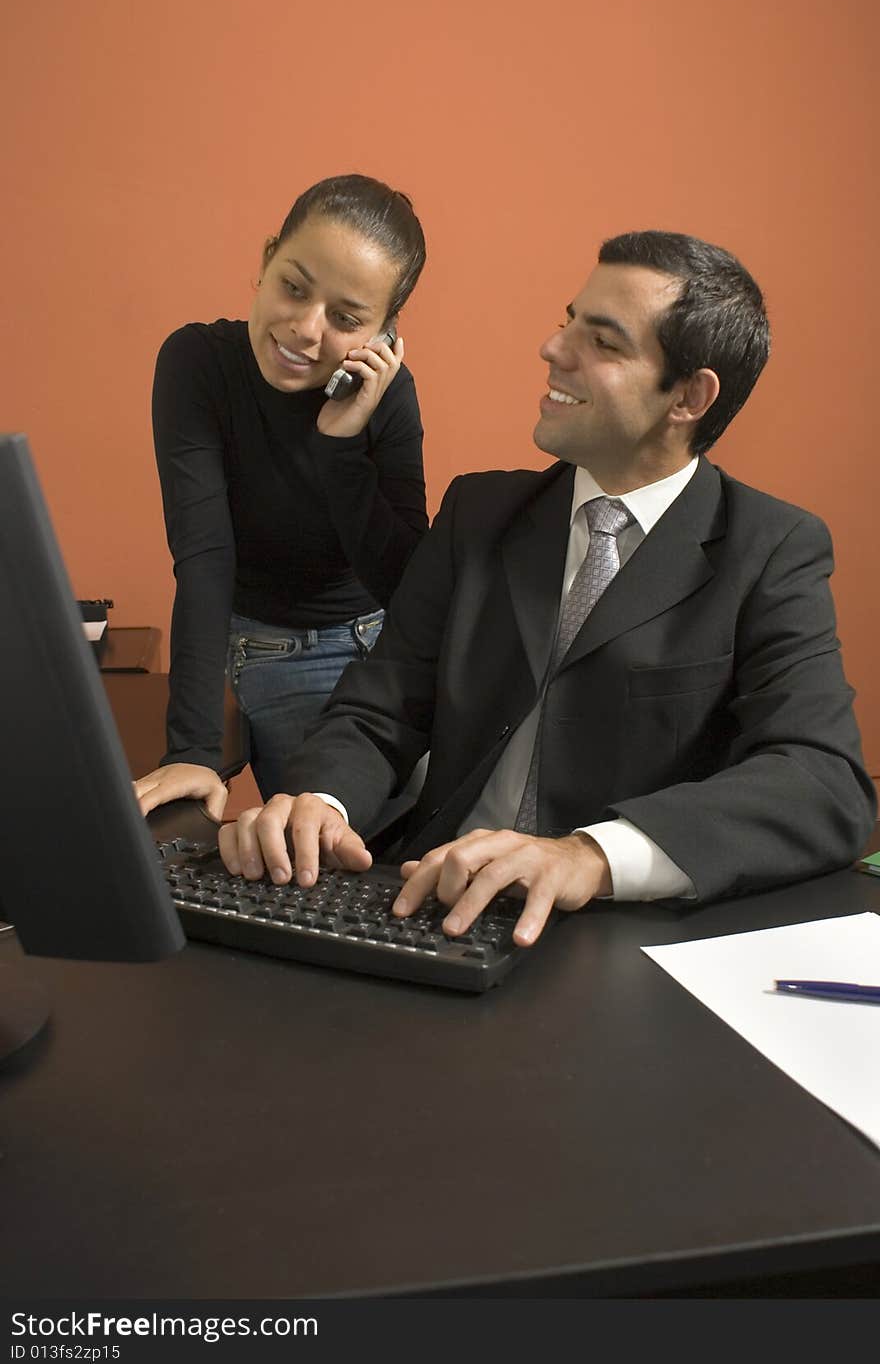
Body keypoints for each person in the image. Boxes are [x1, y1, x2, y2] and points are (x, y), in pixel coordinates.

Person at [190, 229, 876, 944]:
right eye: (567, 320)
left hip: (613, 936)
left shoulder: (772, 549)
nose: (553, 350)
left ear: (690, 397)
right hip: (423, 901)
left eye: (603, 341)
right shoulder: (478, 514)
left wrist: (589, 855)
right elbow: (377, 709)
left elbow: (822, 781)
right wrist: (319, 801)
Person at [134, 174, 429, 819]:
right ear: (266, 261)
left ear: (384, 335)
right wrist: (192, 749)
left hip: (395, 653)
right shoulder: (198, 365)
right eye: (294, 287)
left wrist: (341, 444)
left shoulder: (388, 394)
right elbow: (205, 556)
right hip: (281, 655)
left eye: (347, 319)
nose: (304, 329)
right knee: (339, 865)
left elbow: (407, 582)